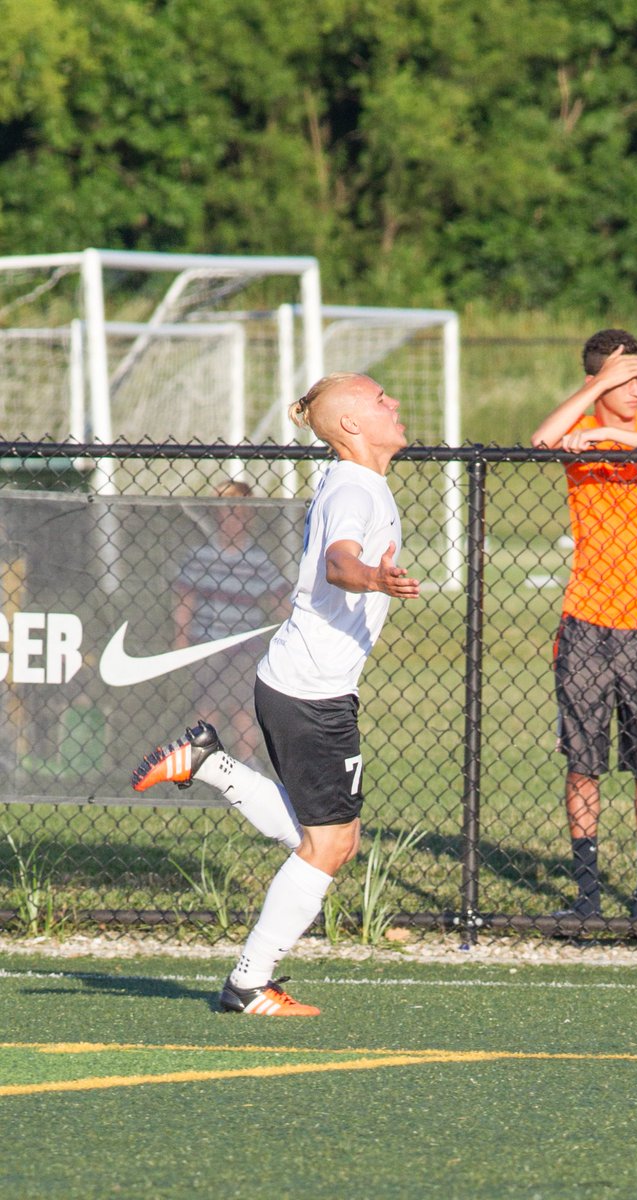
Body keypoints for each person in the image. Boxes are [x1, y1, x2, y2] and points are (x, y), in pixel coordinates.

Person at [131, 373, 420, 1014]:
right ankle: (248, 983)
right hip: (311, 694)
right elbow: (338, 564)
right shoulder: (354, 485)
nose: (393, 404)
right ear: (349, 425)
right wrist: (374, 576)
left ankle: (210, 764)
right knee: (331, 845)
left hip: (307, 685)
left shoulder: (363, 483)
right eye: (379, 400)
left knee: (328, 838)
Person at [529, 329, 637, 920]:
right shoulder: (581, 434)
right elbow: (542, 440)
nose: (634, 391)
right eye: (622, 380)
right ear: (598, 382)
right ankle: (586, 896)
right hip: (587, 621)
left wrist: (610, 433)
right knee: (583, 763)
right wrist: (594, 398)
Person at [173, 479, 292, 766]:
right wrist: (181, 639)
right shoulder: (201, 556)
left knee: (243, 708)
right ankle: (198, 762)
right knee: (207, 705)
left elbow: (277, 600)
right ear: (217, 515)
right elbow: (185, 599)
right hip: (208, 644)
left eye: (240, 514)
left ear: (250, 517)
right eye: (227, 513)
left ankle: (247, 762)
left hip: (244, 647)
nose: (232, 521)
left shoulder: (256, 559)